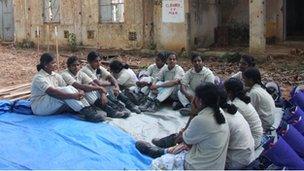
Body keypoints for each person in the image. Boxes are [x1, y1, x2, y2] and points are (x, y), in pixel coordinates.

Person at [136, 83, 230, 170]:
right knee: (184, 140)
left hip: (198, 166)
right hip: (216, 166)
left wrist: (192, 113)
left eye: (194, 97)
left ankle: (160, 152)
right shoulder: (219, 112)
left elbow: (185, 142)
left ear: (199, 100)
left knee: (156, 165)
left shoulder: (201, 119)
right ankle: (161, 151)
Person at [30, 53, 104, 122]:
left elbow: (68, 86)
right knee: (63, 91)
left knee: (69, 88)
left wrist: (79, 92)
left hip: (50, 103)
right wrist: (73, 96)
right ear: (45, 64)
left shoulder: (55, 75)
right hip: (40, 107)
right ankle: (87, 112)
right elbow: (52, 92)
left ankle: (88, 109)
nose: (55, 65)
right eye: (53, 63)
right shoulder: (39, 78)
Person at [61, 56, 128, 118]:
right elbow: (80, 86)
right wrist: (100, 88)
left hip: (81, 95)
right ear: (68, 67)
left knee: (94, 88)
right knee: (89, 90)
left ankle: (115, 106)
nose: (76, 67)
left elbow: (94, 83)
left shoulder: (81, 73)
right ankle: (106, 110)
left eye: (78, 65)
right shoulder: (65, 74)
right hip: (70, 99)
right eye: (73, 65)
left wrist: (102, 93)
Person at [218, 90, 255, 169]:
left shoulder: (223, 119)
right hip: (247, 155)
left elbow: (215, 149)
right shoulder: (232, 111)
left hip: (237, 162)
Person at [224, 78, 263, 148]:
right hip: (257, 136)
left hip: (253, 140)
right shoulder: (241, 100)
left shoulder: (236, 105)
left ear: (229, 92)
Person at [243, 67, 275, 132]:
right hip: (269, 121)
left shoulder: (254, 93)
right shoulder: (260, 88)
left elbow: (248, 112)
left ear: (251, 80)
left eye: (245, 79)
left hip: (264, 124)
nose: (243, 81)